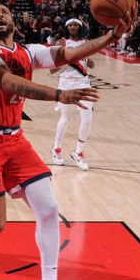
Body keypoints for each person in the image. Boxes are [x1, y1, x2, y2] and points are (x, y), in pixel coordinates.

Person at [0, 3, 134, 280]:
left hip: (14, 139)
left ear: (13, 21)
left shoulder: (28, 51)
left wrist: (110, 37)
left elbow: (65, 55)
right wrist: (58, 95)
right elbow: (6, 81)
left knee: (49, 209)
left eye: (4, 12)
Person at [50, 18, 95, 171]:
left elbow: (91, 64)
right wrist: (63, 63)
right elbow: (52, 69)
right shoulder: (61, 43)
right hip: (66, 84)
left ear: (81, 27)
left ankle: (78, 151)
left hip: (83, 83)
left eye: (75, 25)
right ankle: (56, 149)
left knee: (87, 119)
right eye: (70, 25)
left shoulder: (86, 43)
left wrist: (88, 61)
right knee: (65, 118)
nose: (73, 27)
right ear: (66, 27)